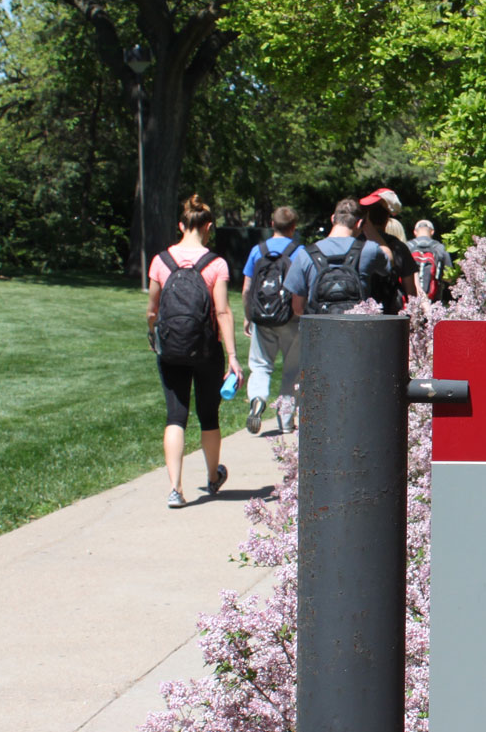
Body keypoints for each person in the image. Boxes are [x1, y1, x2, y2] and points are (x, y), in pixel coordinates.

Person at [146, 193, 242, 509]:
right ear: (208, 226)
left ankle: (175, 489)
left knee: (176, 416)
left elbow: (152, 310)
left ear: (181, 225)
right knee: (208, 416)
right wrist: (233, 357)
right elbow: (223, 312)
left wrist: (153, 333)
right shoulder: (216, 264)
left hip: (171, 349)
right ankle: (213, 477)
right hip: (206, 350)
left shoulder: (160, 261)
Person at [241, 206, 302, 435]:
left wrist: (248, 315)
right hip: (290, 318)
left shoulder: (257, 251)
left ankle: (257, 398)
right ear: (293, 227)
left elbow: (247, 289)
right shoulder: (299, 251)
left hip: (262, 318)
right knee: (291, 369)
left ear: (272, 224)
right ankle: (286, 421)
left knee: (260, 365)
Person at [286, 197, 388, 322]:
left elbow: (297, 308)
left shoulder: (305, 254)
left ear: (333, 218)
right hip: (358, 329)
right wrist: (369, 227)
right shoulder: (369, 250)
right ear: (360, 223)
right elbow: (389, 262)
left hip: (320, 329)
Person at [356, 187, 419, 312]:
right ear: (387, 220)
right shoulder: (399, 248)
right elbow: (411, 292)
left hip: (357, 312)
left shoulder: (355, 245)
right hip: (389, 313)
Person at [408, 219, 452, 301]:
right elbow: (449, 277)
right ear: (432, 232)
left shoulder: (407, 247)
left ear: (415, 232)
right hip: (433, 299)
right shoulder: (440, 248)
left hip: (410, 298)